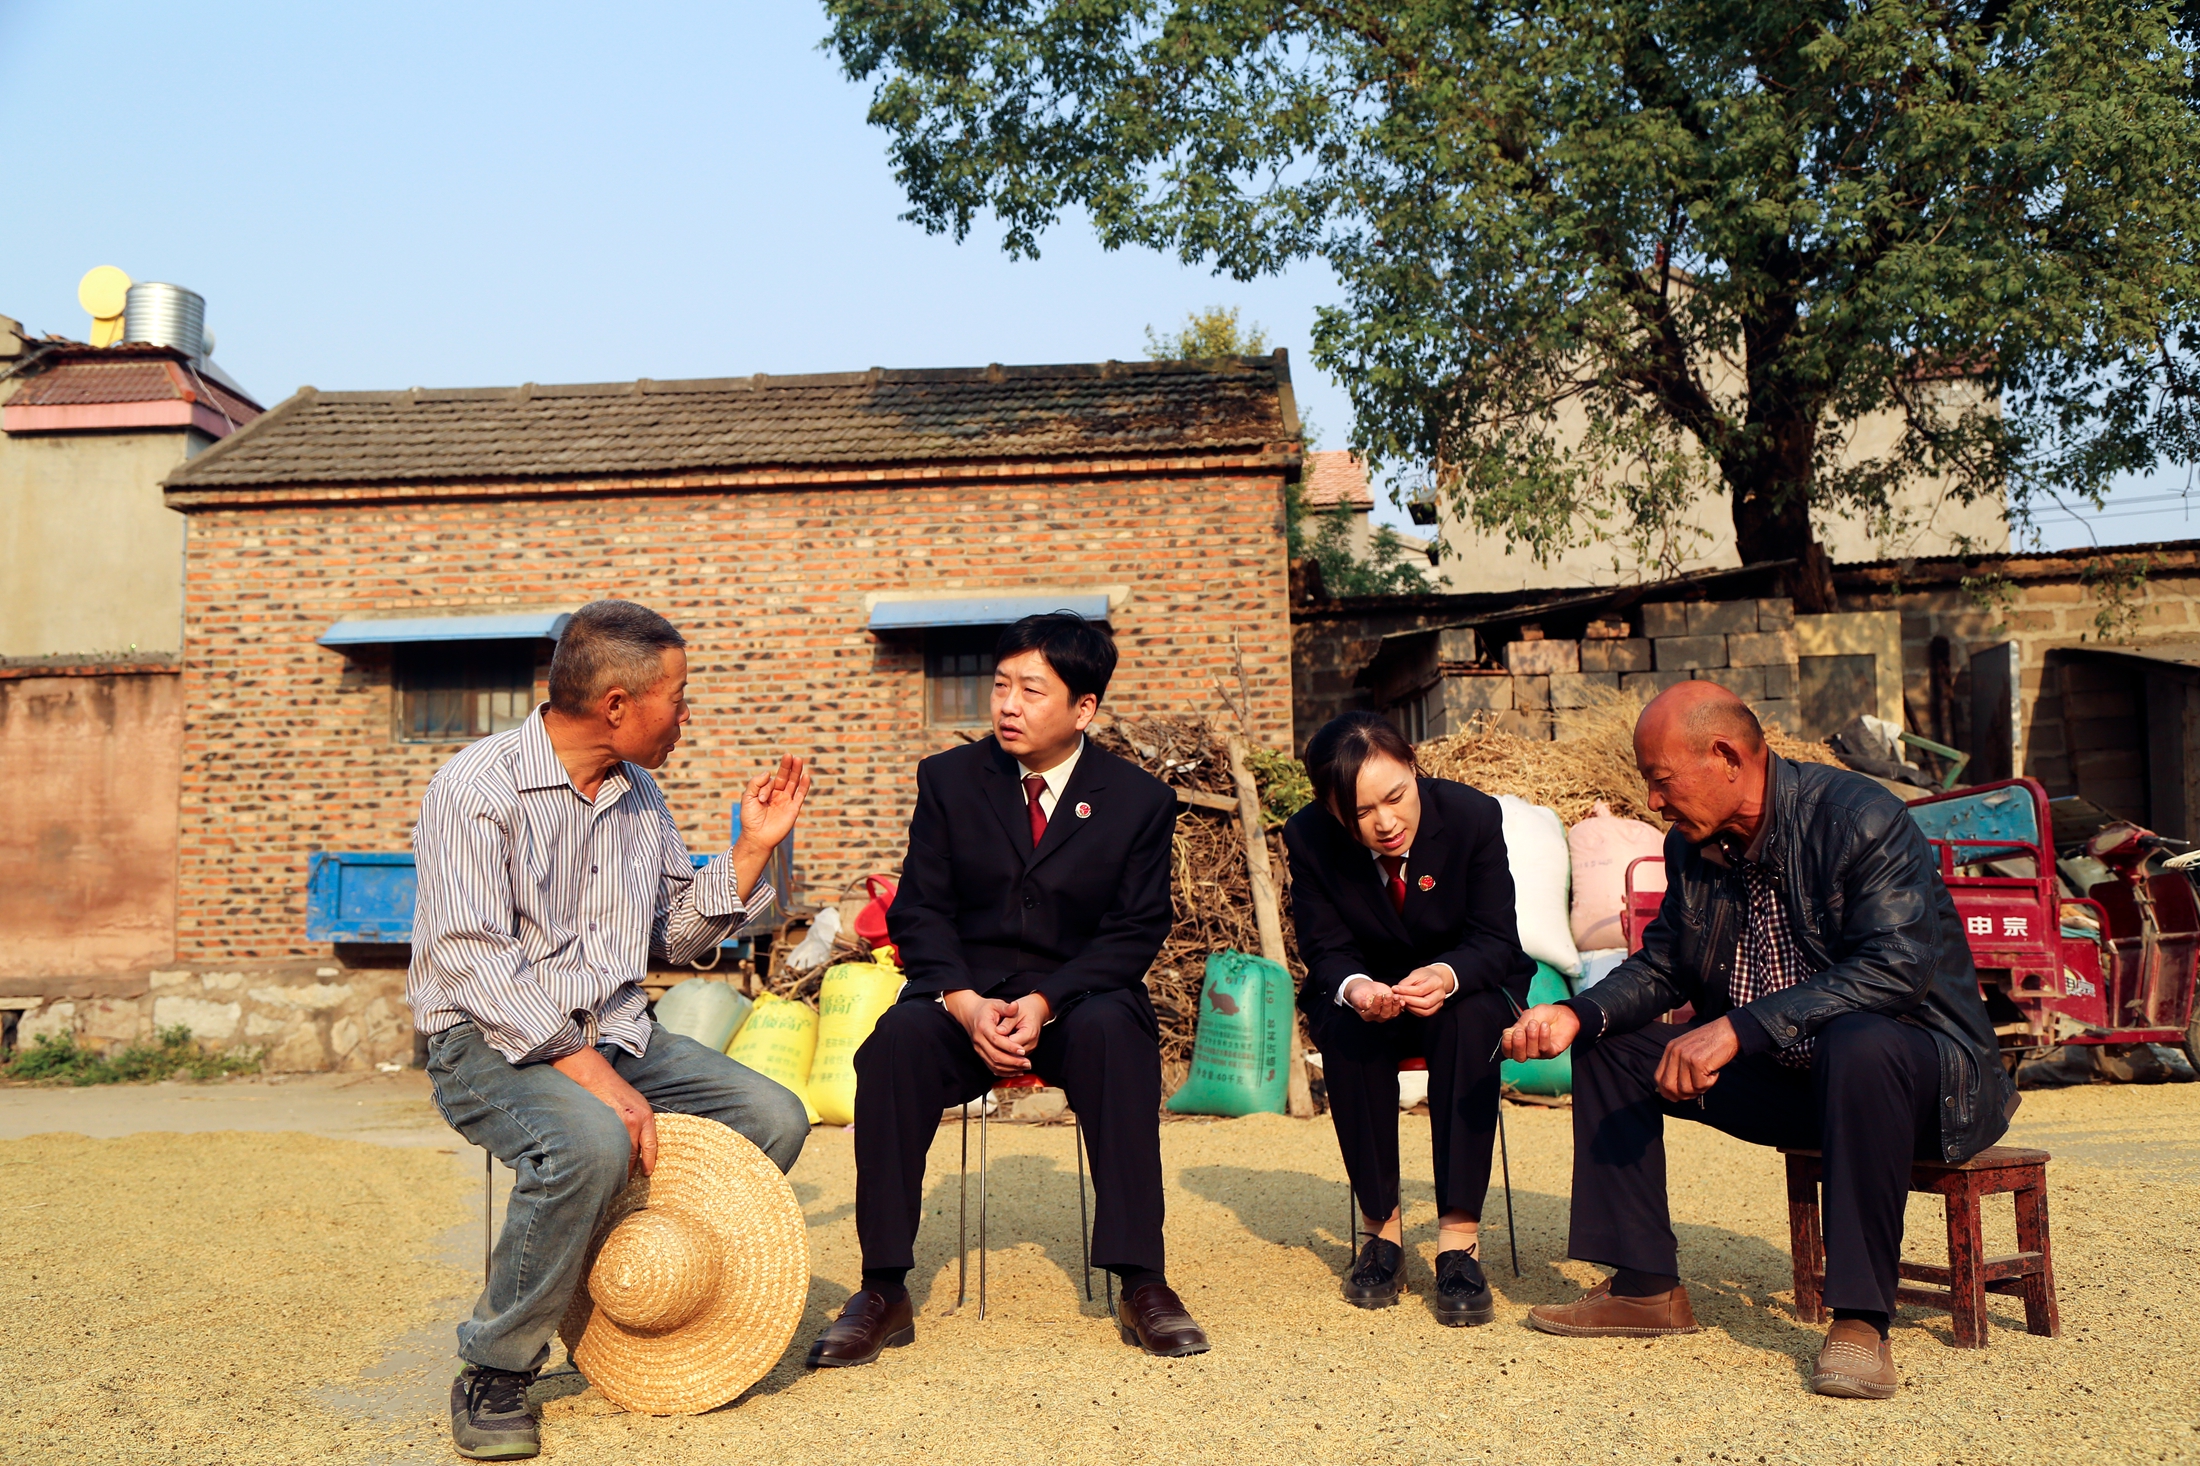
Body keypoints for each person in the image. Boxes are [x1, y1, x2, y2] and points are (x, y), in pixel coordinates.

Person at [1503, 680, 2015, 1399]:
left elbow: (1896, 966)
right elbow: (1664, 966)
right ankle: (1645, 1287)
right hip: (1797, 1084)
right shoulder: (1692, 848)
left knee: (1857, 1041)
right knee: (1611, 1041)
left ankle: (1861, 1321)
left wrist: (1738, 1028)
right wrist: (1579, 1014)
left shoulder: (1861, 816)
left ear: (1725, 756)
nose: (1653, 800)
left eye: (1661, 780)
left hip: (1921, 1087)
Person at [408, 599, 815, 1461]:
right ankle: (495, 1367)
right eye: (679, 697)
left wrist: (752, 851)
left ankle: (643, 1281)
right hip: (487, 1041)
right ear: (617, 705)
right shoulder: (474, 790)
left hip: (622, 1030)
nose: (687, 715)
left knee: (772, 1116)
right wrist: (598, 1080)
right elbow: (473, 962)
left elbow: (675, 936)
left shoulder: (639, 792)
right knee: (591, 1143)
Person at [806, 611, 1209, 1366]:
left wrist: (1047, 1000)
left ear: (1083, 708)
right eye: (1000, 686)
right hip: (966, 996)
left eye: (1031, 690)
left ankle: (1142, 1281)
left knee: (1117, 1039)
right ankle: (882, 1286)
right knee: (894, 1045)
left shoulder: (1138, 801)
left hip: (1078, 998)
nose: (1008, 705)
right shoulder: (951, 780)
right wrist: (960, 1001)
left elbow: (1133, 931)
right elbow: (920, 909)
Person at [1282, 712, 1535, 1325]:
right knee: (1349, 1030)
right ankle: (1382, 1233)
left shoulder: (1472, 815)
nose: (1386, 823)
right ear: (1331, 809)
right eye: (1361, 812)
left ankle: (1459, 1242)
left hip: (1465, 984)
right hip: (1371, 992)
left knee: (1467, 1023)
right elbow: (1323, 947)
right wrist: (1358, 989)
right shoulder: (1309, 836)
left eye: (1396, 797)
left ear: (1414, 766)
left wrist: (1445, 975)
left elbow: (1495, 938)